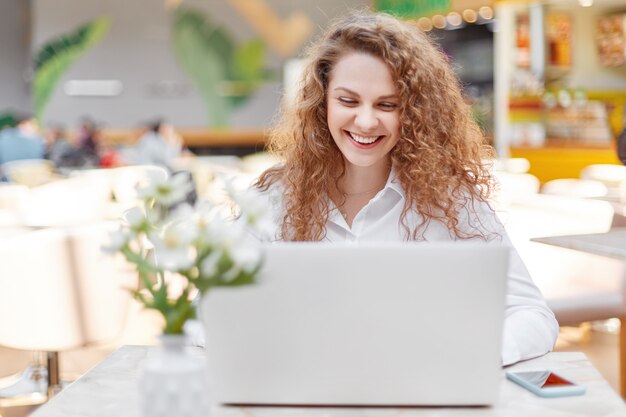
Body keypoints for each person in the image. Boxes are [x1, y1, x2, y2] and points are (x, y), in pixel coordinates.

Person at [252, 11, 558, 366]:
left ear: (413, 113)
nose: (365, 121)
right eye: (348, 101)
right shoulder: (275, 198)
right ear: (321, 104)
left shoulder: (451, 202)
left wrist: (472, 355)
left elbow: (532, 315)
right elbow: (206, 314)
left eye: (387, 105)